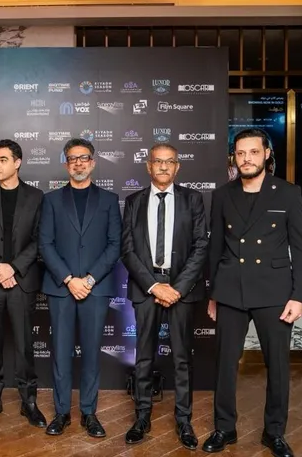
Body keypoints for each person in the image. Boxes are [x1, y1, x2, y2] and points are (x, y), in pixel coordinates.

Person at [203, 129, 302, 457]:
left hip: (274, 292)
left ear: (266, 154)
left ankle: (274, 432)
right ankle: (224, 428)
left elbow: (300, 249)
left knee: (277, 366)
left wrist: (299, 296)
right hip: (230, 291)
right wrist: (213, 294)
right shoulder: (223, 194)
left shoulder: (288, 193)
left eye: (252, 152)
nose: (246, 158)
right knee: (224, 365)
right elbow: (215, 248)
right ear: (234, 157)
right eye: (240, 153)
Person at [120, 144, 208, 449]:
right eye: (158, 161)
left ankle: (184, 421)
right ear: (149, 166)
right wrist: (153, 286)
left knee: (182, 359)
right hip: (147, 287)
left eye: (169, 162)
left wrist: (177, 288)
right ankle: (141, 417)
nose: (163, 167)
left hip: (181, 288)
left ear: (177, 167)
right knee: (144, 357)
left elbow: (200, 246)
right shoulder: (133, 201)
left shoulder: (193, 199)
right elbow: (127, 250)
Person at [39, 138, 121, 438]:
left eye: (83, 157)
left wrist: (88, 280)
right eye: (72, 158)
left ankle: (89, 413)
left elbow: (115, 245)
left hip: (95, 289)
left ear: (93, 162)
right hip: (61, 288)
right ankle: (61, 413)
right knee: (61, 353)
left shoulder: (109, 200)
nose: (78, 163)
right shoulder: (51, 200)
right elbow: (45, 244)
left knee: (91, 353)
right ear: (66, 164)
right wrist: (69, 279)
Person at [0, 139, 46, 427]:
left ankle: (29, 401)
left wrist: (13, 267)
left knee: (25, 344)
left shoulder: (36, 197)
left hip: (21, 281)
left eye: (2, 160)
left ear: (17, 162)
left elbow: (39, 239)